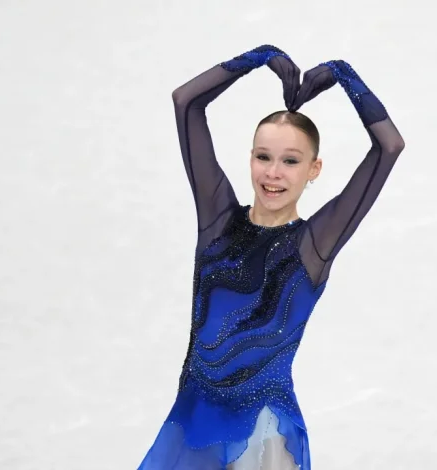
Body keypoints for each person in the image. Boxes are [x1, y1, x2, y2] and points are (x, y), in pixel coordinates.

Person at [137, 45, 405, 470]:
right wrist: (257, 57)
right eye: (263, 157)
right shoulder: (218, 222)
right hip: (194, 420)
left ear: (313, 169)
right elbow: (186, 102)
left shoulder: (313, 244)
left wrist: (342, 74)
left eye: (290, 161)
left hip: (265, 436)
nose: (273, 173)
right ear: (250, 158)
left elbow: (389, 146)